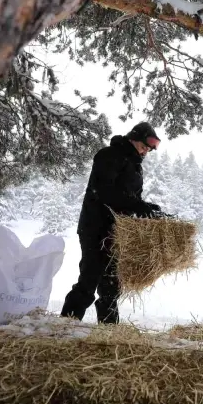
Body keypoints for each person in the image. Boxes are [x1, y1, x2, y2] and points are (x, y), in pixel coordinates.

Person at [61, 122, 162, 324]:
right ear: (133, 138)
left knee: (111, 283)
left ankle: (109, 331)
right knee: (90, 277)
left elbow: (131, 199)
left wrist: (143, 209)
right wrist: (137, 205)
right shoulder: (109, 155)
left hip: (116, 231)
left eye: (149, 149)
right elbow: (105, 192)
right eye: (144, 146)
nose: (146, 151)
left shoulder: (135, 167)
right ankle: (65, 325)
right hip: (95, 226)